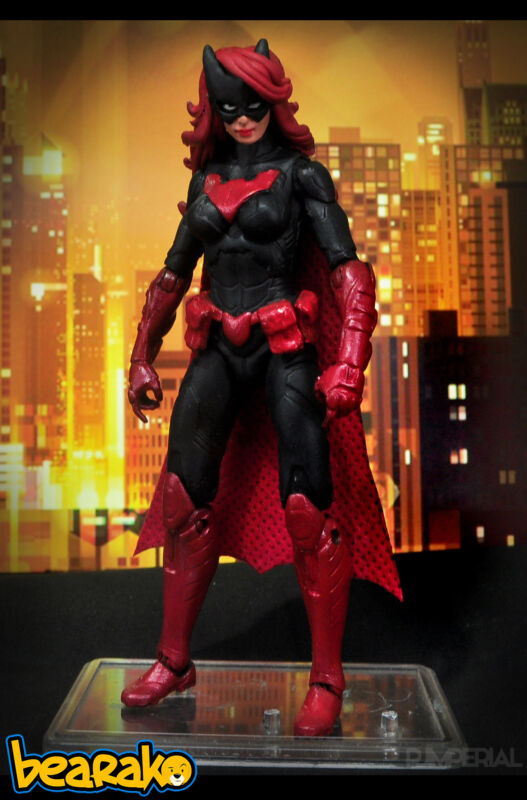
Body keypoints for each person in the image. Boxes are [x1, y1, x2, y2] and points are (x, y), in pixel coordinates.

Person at [121, 39, 401, 737]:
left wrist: (349, 361)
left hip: (286, 347)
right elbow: (173, 272)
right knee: (183, 498)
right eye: (229, 108)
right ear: (213, 110)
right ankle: (173, 660)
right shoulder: (205, 181)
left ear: (274, 101)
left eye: (253, 105)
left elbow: (347, 270)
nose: (242, 118)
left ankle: (327, 678)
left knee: (308, 506)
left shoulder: (302, 176)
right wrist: (141, 354)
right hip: (218, 345)